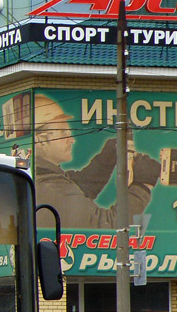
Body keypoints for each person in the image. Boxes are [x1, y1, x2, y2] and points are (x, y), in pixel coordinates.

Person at [32, 93, 161, 229]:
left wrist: (106, 159)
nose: (71, 140)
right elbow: (110, 227)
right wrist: (142, 186)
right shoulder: (53, 190)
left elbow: (79, 187)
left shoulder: (41, 178)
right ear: (40, 140)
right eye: (63, 133)